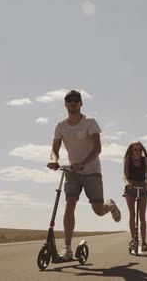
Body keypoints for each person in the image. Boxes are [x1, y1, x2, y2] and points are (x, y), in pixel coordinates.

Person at [47, 89, 121, 259]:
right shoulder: (60, 126)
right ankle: (67, 248)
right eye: (69, 99)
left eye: (76, 99)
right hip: (72, 172)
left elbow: (97, 148)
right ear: (65, 103)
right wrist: (54, 160)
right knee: (70, 203)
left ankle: (110, 205)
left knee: (98, 210)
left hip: (92, 171)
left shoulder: (90, 122)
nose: (72, 102)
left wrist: (84, 164)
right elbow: (54, 149)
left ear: (81, 103)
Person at [122, 141, 147, 252]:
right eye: (135, 149)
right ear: (131, 150)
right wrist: (127, 184)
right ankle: (133, 240)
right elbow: (125, 174)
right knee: (132, 213)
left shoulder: (145, 159)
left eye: (140, 150)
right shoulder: (127, 159)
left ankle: (143, 242)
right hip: (130, 185)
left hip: (142, 186)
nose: (138, 152)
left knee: (142, 215)